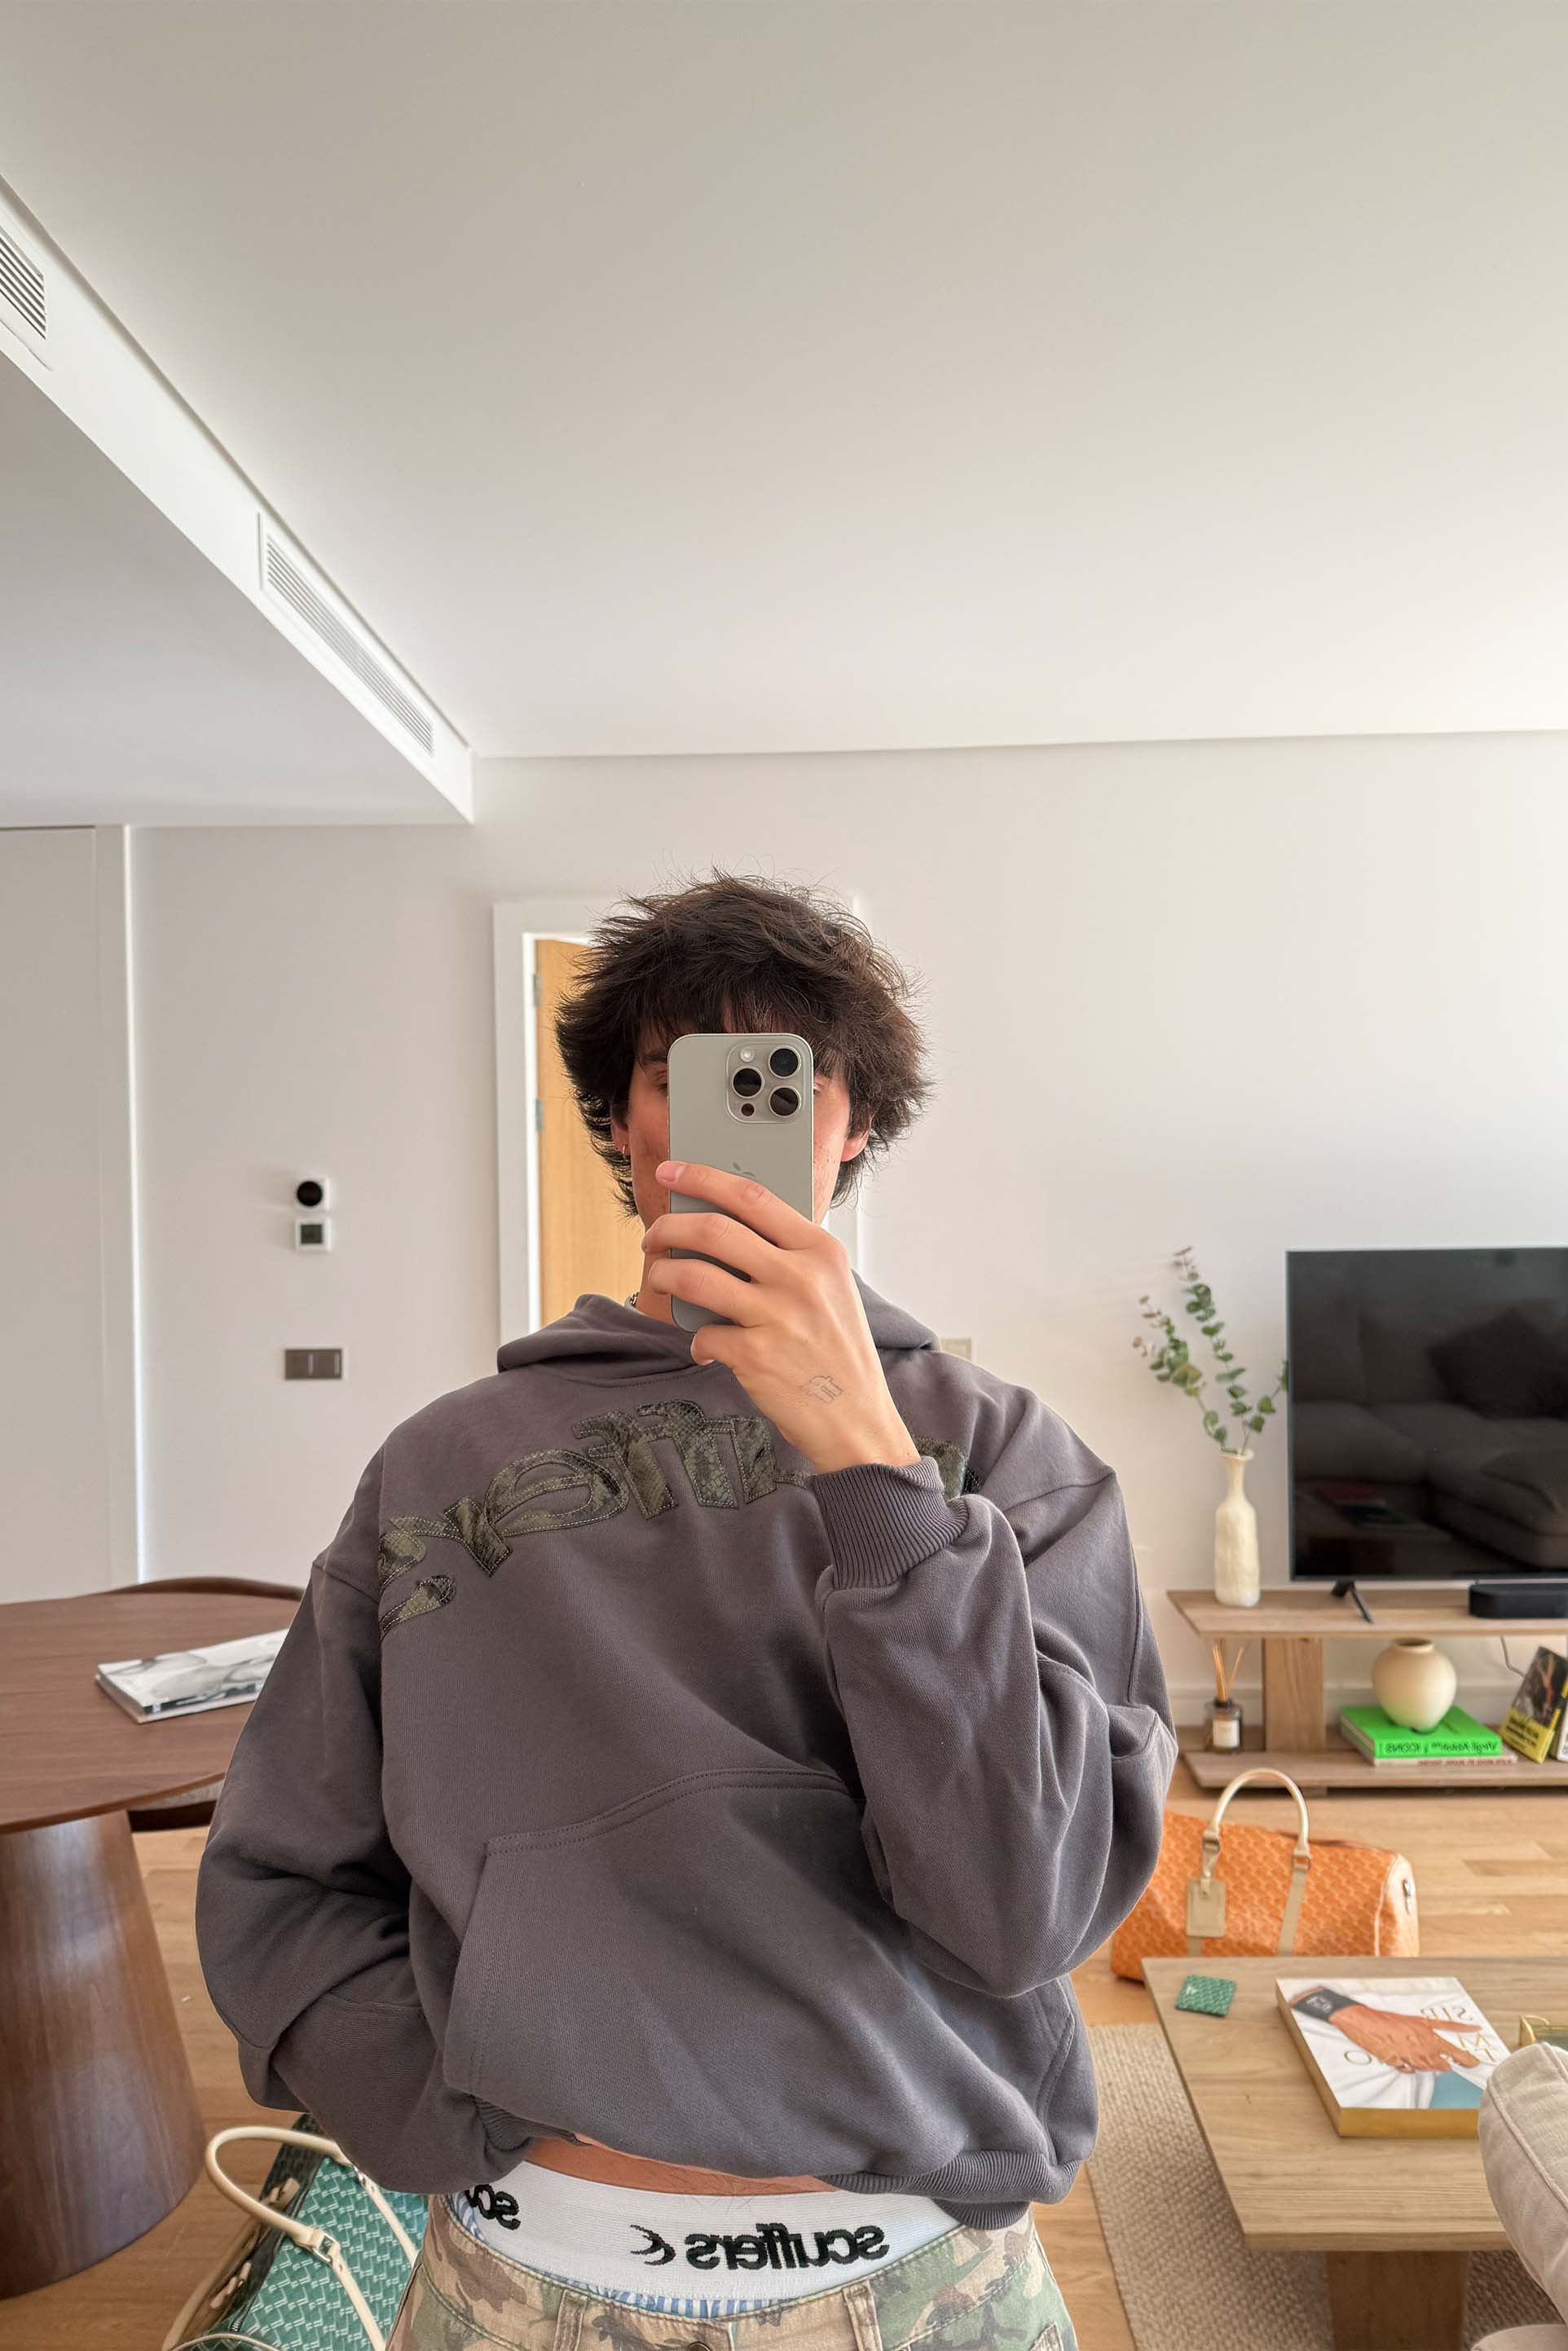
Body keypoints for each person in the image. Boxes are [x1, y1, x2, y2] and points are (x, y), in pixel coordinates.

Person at [195, 869, 1176, 2351]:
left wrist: (875, 1468)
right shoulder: (440, 1463)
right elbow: (281, 1876)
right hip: (530, 2275)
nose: (733, 1112)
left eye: (786, 1074)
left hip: (925, 2287)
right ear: (618, 1122)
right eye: (678, 1072)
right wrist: (440, 2100)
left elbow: (1020, 1912)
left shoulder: (1013, 1456)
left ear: (855, 1123)